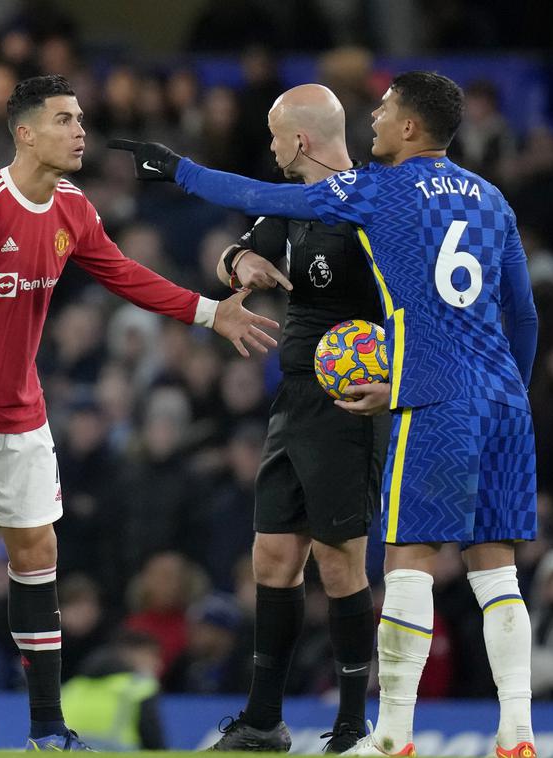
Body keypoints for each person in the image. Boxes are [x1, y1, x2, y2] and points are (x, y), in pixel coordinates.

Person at [112, 70, 539, 758]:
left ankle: (388, 731)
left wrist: (180, 169)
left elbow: (257, 192)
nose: (375, 117)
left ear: (409, 127)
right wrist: (513, 389)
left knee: (403, 566)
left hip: (423, 393)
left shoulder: (375, 190)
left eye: (385, 108)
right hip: (499, 397)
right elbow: (523, 312)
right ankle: (516, 729)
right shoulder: (493, 200)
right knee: (498, 572)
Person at [0, 74, 279, 750]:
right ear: (25, 133)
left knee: (39, 550)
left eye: (81, 118)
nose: (81, 130)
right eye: (65, 119)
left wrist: (208, 312)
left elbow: (124, 274)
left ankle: (48, 728)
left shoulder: (73, 209)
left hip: (22, 408)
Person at [204, 84, 386, 754]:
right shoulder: (287, 205)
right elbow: (229, 255)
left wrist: (393, 371)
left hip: (349, 401)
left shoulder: (373, 204)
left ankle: (351, 726)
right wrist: (239, 260)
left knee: (341, 563)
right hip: (295, 399)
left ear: (302, 140)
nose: (273, 148)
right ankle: (262, 721)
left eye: (278, 137)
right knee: (273, 556)